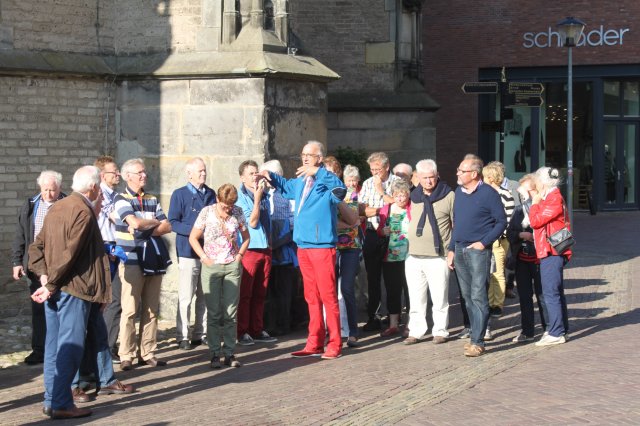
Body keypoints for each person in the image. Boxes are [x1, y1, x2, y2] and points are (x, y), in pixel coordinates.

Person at [29, 166, 133, 420]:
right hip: (72, 290)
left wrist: (44, 276)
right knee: (70, 347)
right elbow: (70, 254)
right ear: (94, 188)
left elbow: (36, 248)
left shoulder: (57, 208)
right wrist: (50, 283)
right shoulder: (82, 211)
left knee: (54, 347)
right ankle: (61, 402)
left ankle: (52, 399)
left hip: (58, 288)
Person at [259, 141, 347, 359]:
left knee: (328, 296)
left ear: (320, 158)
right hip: (303, 246)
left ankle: (335, 342)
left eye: (310, 155)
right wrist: (268, 175)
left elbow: (340, 190)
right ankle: (314, 341)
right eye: (303, 154)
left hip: (322, 247)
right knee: (311, 296)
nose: (305, 158)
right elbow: (286, 187)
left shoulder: (326, 182)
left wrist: (318, 172)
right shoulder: (300, 182)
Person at [114, 158, 172, 370]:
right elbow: (134, 223)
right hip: (131, 260)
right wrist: (151, 223)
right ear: (128, 176)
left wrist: (147, 226)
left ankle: (147, 352)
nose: (144, 176)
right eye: (139, 173)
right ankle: (126, 354)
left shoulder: (152, 199)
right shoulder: (120, 200)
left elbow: (167, 226)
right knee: (129, 310)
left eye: (144, 172)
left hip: (153, 259)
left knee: (151, 309)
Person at [446, 154, 506, 357]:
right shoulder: (459, 192)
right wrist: (451, 249)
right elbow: (457, 223)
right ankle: (474, 334)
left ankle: (478, 341)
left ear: (474, 173)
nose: (457, 173)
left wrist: (483, 243)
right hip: (460, 249)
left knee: (479, 294)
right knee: (467, 296)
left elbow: (501, 222)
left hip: (478, 251)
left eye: (461, 171)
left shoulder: (489, 193)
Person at [189, 183, 250, 368]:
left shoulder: (237, 212)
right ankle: (215, 353)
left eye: (231, 205)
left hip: (232, 265)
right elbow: (193, 237)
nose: (228, 209)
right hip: (212, 266)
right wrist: (204, 258)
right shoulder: (207, 212)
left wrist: (239, 256)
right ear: (218, 199)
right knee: (214, 312)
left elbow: (246, 237)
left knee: (230, 312)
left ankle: (230, 353)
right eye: (225, 205)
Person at [11, 170, 65, 365]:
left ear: (60, 188)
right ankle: (39, 349)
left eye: (53, 190)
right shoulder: (31, 205)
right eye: (45, 190)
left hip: (61, 265)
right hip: (35, 265)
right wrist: (17, 261)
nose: (49, 194)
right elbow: (20, 235)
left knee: (61, 308)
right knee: (38, 309)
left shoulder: (67, 205)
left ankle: (61, 349)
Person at [168, 157, 217, 351]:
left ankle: (201, 333)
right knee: (186, 295)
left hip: (207, 251)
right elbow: (173, 222)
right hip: (188, 251)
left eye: (204, 170)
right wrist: (196, 230)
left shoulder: (211, 194)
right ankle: (183, 335)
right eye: (199, 171)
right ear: (189, 174)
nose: (203, 174)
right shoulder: (179, 195)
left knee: (205, 295)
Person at [404, 159, 454, 345]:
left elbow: (455, 223)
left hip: (438, 256)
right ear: (417, 177)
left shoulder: (448, 195)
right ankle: (416, 331)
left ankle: (440, 330)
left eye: (431, 177)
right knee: (416, 298)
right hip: (414, 255)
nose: (428, 181)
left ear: (437, 175)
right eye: (424, 178)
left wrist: (452, 250)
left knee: (440, 296)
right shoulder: (414, 195)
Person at [235, 160, 277, 345]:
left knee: (261, 292)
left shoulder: (265, 195)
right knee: (246, 293)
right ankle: (242, 330)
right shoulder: (240, 197)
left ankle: (257, 328)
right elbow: (252, 222)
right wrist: (258, 198)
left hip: (265, 248)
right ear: (242, 177)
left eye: (256, 173)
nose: (255, 177)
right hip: (250, 249)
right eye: (251, 173)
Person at [529, 167, 572, 346]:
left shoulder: (553, 198)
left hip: (552, 251)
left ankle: (556, 332)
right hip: (551, 250)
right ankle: (560, 329)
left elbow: (536, 221)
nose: (535, 184)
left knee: (550, 292)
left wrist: (534, 202)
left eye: (537, 180)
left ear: (543, 182)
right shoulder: (551, 197)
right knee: (555, 291)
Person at [358, 152, 401, 331]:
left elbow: (397, 206)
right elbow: (361, 209)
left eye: (378, 169)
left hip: (392, 235)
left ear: (387, 167)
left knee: (393, 279)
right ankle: (373, 317)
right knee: (372, 278)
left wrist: (381, 192)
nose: (375, 173)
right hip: (372, 233)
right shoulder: (367, 183)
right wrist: (379, 210)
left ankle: (394, 318)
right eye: (372, 170)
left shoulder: (396, 182)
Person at [324, 159, 361, 347]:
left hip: (350, 248)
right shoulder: (319, 193)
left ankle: (353, 332)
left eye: (331, 173)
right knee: (328, 290)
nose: (327, 176)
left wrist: (337, 202)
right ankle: (330, 331)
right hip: (329, 246)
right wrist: (342, 224)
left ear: (337, 174)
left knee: (346, 288)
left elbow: (353, 220)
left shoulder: (348, 193)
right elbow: (324, 221)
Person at [506, 174, 547, 343]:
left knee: (543, 296)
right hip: (522, 259)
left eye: (523, 189)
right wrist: (521, 234)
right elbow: (510, 233)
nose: (520, 192)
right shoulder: (518, 210)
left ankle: (549, 329)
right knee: (524, 296)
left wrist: (535, 235)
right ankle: (527, 330)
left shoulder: (545, 208)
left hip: (541, 259)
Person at [260, 160, 298, 336]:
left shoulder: (289, 194)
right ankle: (268, 324)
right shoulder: (263, 195)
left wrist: (279, 240)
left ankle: (284, 324)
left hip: (284, 249)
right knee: (269, 290)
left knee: (284, 289)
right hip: (268, 246)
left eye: (266, 175)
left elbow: (294, 221)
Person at [94, 156, 124, 362]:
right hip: (103, 250)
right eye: (115, 172)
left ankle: (109, 346)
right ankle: (100, 347)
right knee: (103, 302)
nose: (118, 175)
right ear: (103, 175)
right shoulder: (100, 196)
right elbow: (118, 219)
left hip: (117, 249)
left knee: (116, 300)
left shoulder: (117, 195)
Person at [376, 180, 411, 337]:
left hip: (410, 256)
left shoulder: (413, 207)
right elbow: (379, 231)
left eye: (403, 195)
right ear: (393, 196)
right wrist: (383, 231)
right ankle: (393, 325)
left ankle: (411, 324)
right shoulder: (386, 209)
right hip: (390, 256)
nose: (401, 199)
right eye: (397, 195)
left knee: (410, 290)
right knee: (392, 291)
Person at [482, 161, 515, 322]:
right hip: (485, 239)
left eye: (484, 176)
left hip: (499, 240)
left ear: (491, 178)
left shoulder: (505, 195)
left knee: (498, 272)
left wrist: (495, 236)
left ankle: (497, 304)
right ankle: (489, 301)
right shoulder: (483, 194)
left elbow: (507, 220)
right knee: (488, 273)